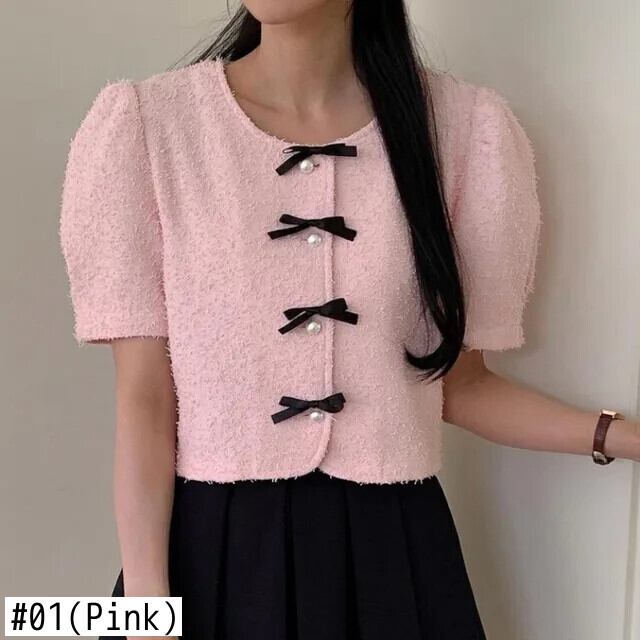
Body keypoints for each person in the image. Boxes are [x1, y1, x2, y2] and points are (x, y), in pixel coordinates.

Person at [58, 1, 640, 639]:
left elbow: (461, 385)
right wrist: (145, 611)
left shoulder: (465, 131)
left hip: (394, 552)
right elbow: (145, 396)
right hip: (212, 552)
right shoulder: (147, 127)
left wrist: (621, 437)